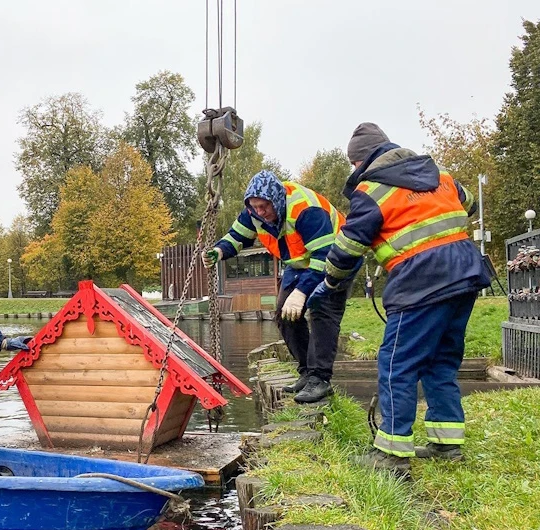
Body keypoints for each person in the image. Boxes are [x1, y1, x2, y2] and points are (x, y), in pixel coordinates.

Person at [311, 122, 489, 474]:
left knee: (397, 364)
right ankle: (447, 444)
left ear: (360, 161)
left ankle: (392, 454)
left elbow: (347, 248)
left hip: (420, 284)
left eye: (353, 164)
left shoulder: (371, 190)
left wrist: (330, 282)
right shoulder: (441, 175)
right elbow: (466, 204)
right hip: (466, 276)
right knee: (442, 361)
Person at [203, 170, 351, 403]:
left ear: (277, 200)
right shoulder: (253, 212)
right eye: (255, 207)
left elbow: (324, 257)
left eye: (265, 207)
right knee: (284, 313)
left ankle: (320, 379)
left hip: (337, 257)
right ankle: (306, 372)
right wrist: (219, 250)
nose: (260, 213)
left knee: (322, 311)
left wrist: (302, 292)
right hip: (300, 262)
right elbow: (237, 236)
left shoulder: (306, 211)